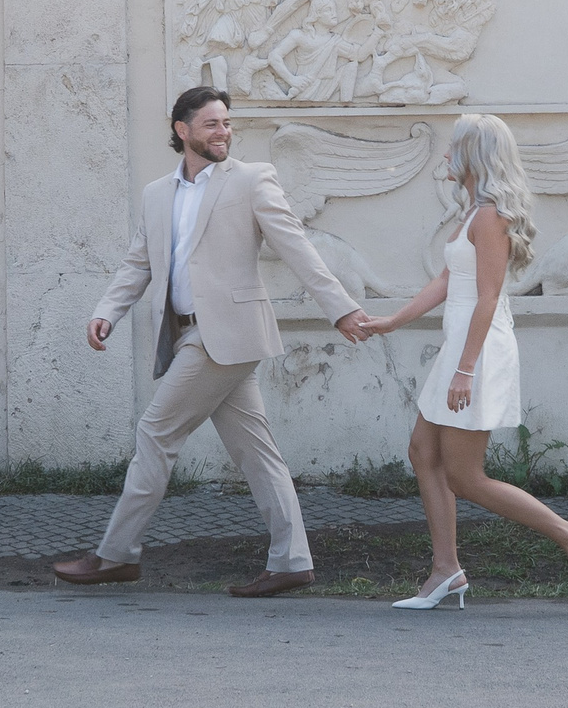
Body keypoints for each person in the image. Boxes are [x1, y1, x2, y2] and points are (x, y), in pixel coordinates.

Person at [51, 86, 369, 598]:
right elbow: (140, 262)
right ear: (183, 131)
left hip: (228, 334)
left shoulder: (251, 179)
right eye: (212, 124)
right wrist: (107, 310)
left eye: (226, 123)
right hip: (186, 333)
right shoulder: (158, 193)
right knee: (256, 452)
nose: (223, 132)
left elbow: (298, 248)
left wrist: (341, 308)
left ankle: (116, 555)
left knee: (156, 433)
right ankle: (292, 561)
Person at [352, 114, 568, 608]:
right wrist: (393, 321)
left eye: (453, 148)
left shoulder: (492, 216)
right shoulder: (471, 214)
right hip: (460, 349)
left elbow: (488, 298)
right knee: (423, 454)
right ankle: (446, 570)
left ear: (475, 155)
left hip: (479, 350)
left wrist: (466, 369)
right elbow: (448, 283)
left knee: (465, 476)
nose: (445, 156)